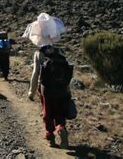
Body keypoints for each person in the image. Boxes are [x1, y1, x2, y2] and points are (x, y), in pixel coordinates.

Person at [23, 13, 72, 149]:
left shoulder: (39, 54)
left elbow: (35, 74)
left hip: (46, 88)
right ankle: (61, 127)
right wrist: (67, 89)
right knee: (60, 111)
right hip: (62, 88)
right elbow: (66, 70)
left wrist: (31, 92)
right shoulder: (60, 51)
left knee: (47, 112)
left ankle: (50, 134)